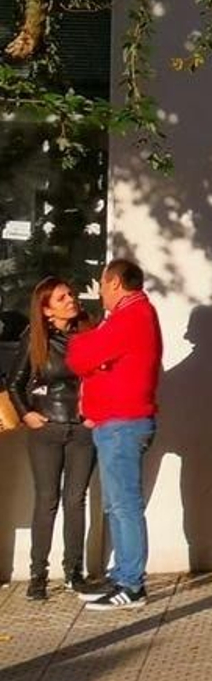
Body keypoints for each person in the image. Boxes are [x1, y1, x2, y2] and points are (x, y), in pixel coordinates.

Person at [67, 259, 163, 610]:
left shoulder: (131, 317)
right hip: (115, 422)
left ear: (116, 284)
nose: (101, 293)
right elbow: (97, 358)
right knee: (116, 504)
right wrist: (99, 360)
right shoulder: (130, 317)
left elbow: (80, 357)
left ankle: (132, 584)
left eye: (103, 285)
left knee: (124, 505)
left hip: (123, 424)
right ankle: (122, 572)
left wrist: (85, 345)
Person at [8, 277, 95, 601]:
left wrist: (94, 413)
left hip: (82, 429)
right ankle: (38, 576)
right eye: (61, 298)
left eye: (71, 295)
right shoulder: (36, 338)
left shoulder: (88, 331)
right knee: (47, 501)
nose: (71, 300)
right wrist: (26, 414)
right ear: (45, 310)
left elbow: (102, 375)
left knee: (76, 500)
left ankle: (75, 573)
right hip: (47, 429)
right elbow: (15, 382)